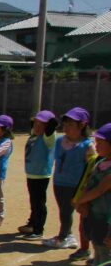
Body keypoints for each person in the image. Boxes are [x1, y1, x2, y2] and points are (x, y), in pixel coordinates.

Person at [43, 107, 95, 250]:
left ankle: (62, 237)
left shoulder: (87, 145)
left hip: (76, 185)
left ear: (82, 125)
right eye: (65, 124)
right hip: (59, 182)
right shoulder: (60, 141)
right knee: (63, 211)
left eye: (71, 125)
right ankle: (68, 235)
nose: (66, 128)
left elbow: (92, 168)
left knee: (69, 211)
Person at [73, 122, 111, 266]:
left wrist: (80, 201)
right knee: (98, 246)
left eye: (101, 142)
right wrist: (84, 204)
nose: (96, 146)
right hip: (95, 214)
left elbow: (100, 189)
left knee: (106, 252)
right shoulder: (99, 163)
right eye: (96, 142)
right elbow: (88, 185)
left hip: (107, 219)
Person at [19, 110, 58, 240]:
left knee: (39, 203)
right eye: (35, 123)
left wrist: (49, 125)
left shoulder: (48, 138)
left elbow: (51, 131)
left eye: (41, 125)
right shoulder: (33, 135)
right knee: (33, 201)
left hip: (41, 175)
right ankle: (32, 223)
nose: (37, 126)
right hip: (31, 174)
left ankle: (38, 230)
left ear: (48, 127)